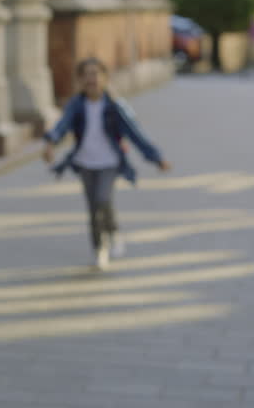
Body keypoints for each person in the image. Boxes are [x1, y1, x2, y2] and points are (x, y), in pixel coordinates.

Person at [41, 58, 170, 270]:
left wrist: (156, 157)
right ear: (80, 80)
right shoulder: (77, 105)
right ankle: (99, 248)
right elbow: (61, 126)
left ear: (105, 78)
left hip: (109, 161)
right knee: (93, 208)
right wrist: (50, 143)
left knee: (102, 199)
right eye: (86, 74)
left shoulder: (115, 107)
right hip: (85, 162)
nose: (91, 78)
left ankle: (113, 232)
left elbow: (136, 134)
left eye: (96, 73)